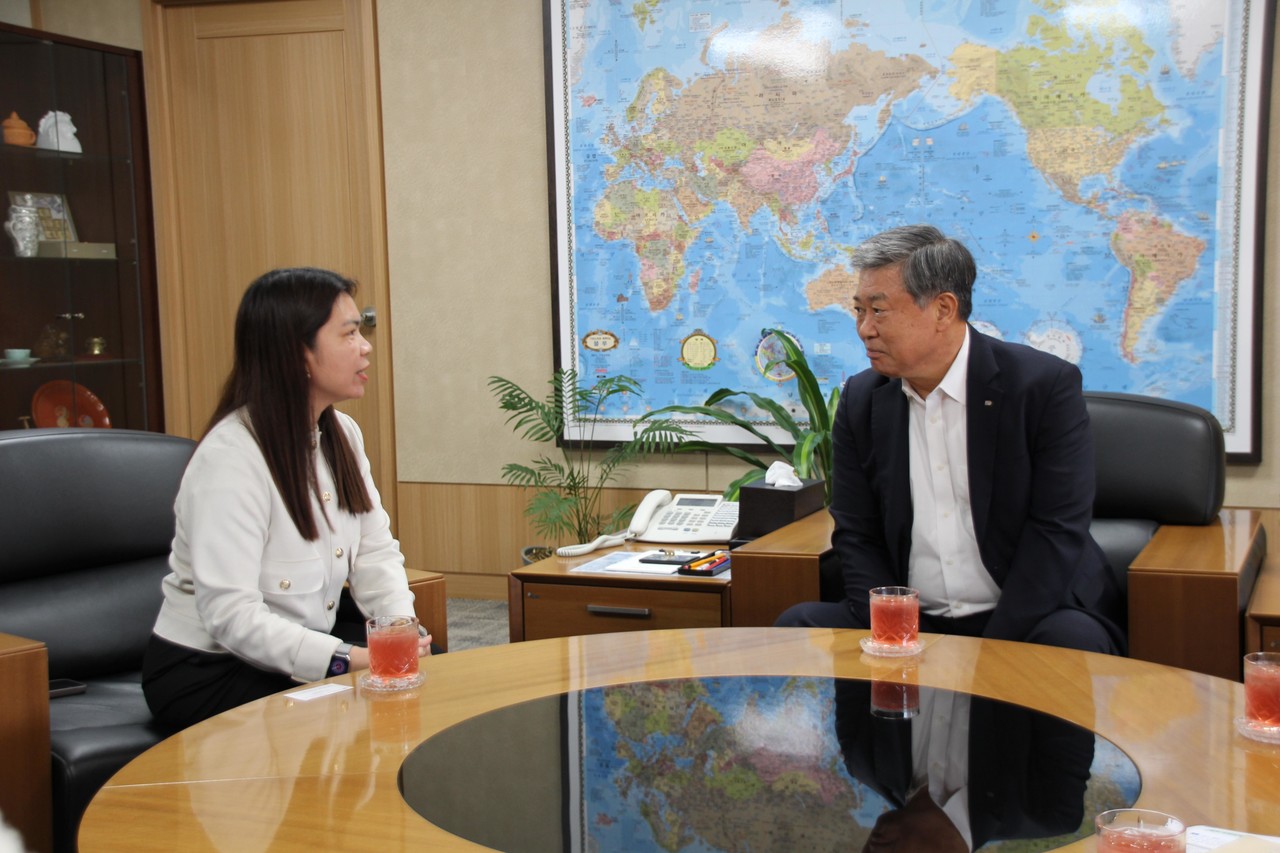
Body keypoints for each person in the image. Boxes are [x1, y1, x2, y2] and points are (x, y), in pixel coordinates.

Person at [776, 224, 1124, 653]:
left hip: (1027, 614)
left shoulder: (1040, 387)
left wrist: (992, 652)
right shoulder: (862, 401)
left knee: (1071, 643)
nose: (864, 329)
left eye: (879, 310)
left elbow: (1056, 530)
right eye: (859, 311)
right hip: (908, 619)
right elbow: (856, 532)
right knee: (797, 625)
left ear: (943, 309)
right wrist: (889, 629)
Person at [142, 267, 431, 729]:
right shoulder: (232, 457)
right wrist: (347, 659)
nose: (366, 345)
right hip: (210, 671)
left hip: (300, 648)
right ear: (298, 354)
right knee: (350, 716)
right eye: (350, 333)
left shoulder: (343, 435)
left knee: (428, 681)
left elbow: (375, 551)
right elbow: (230, 616)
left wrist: (401, 629)